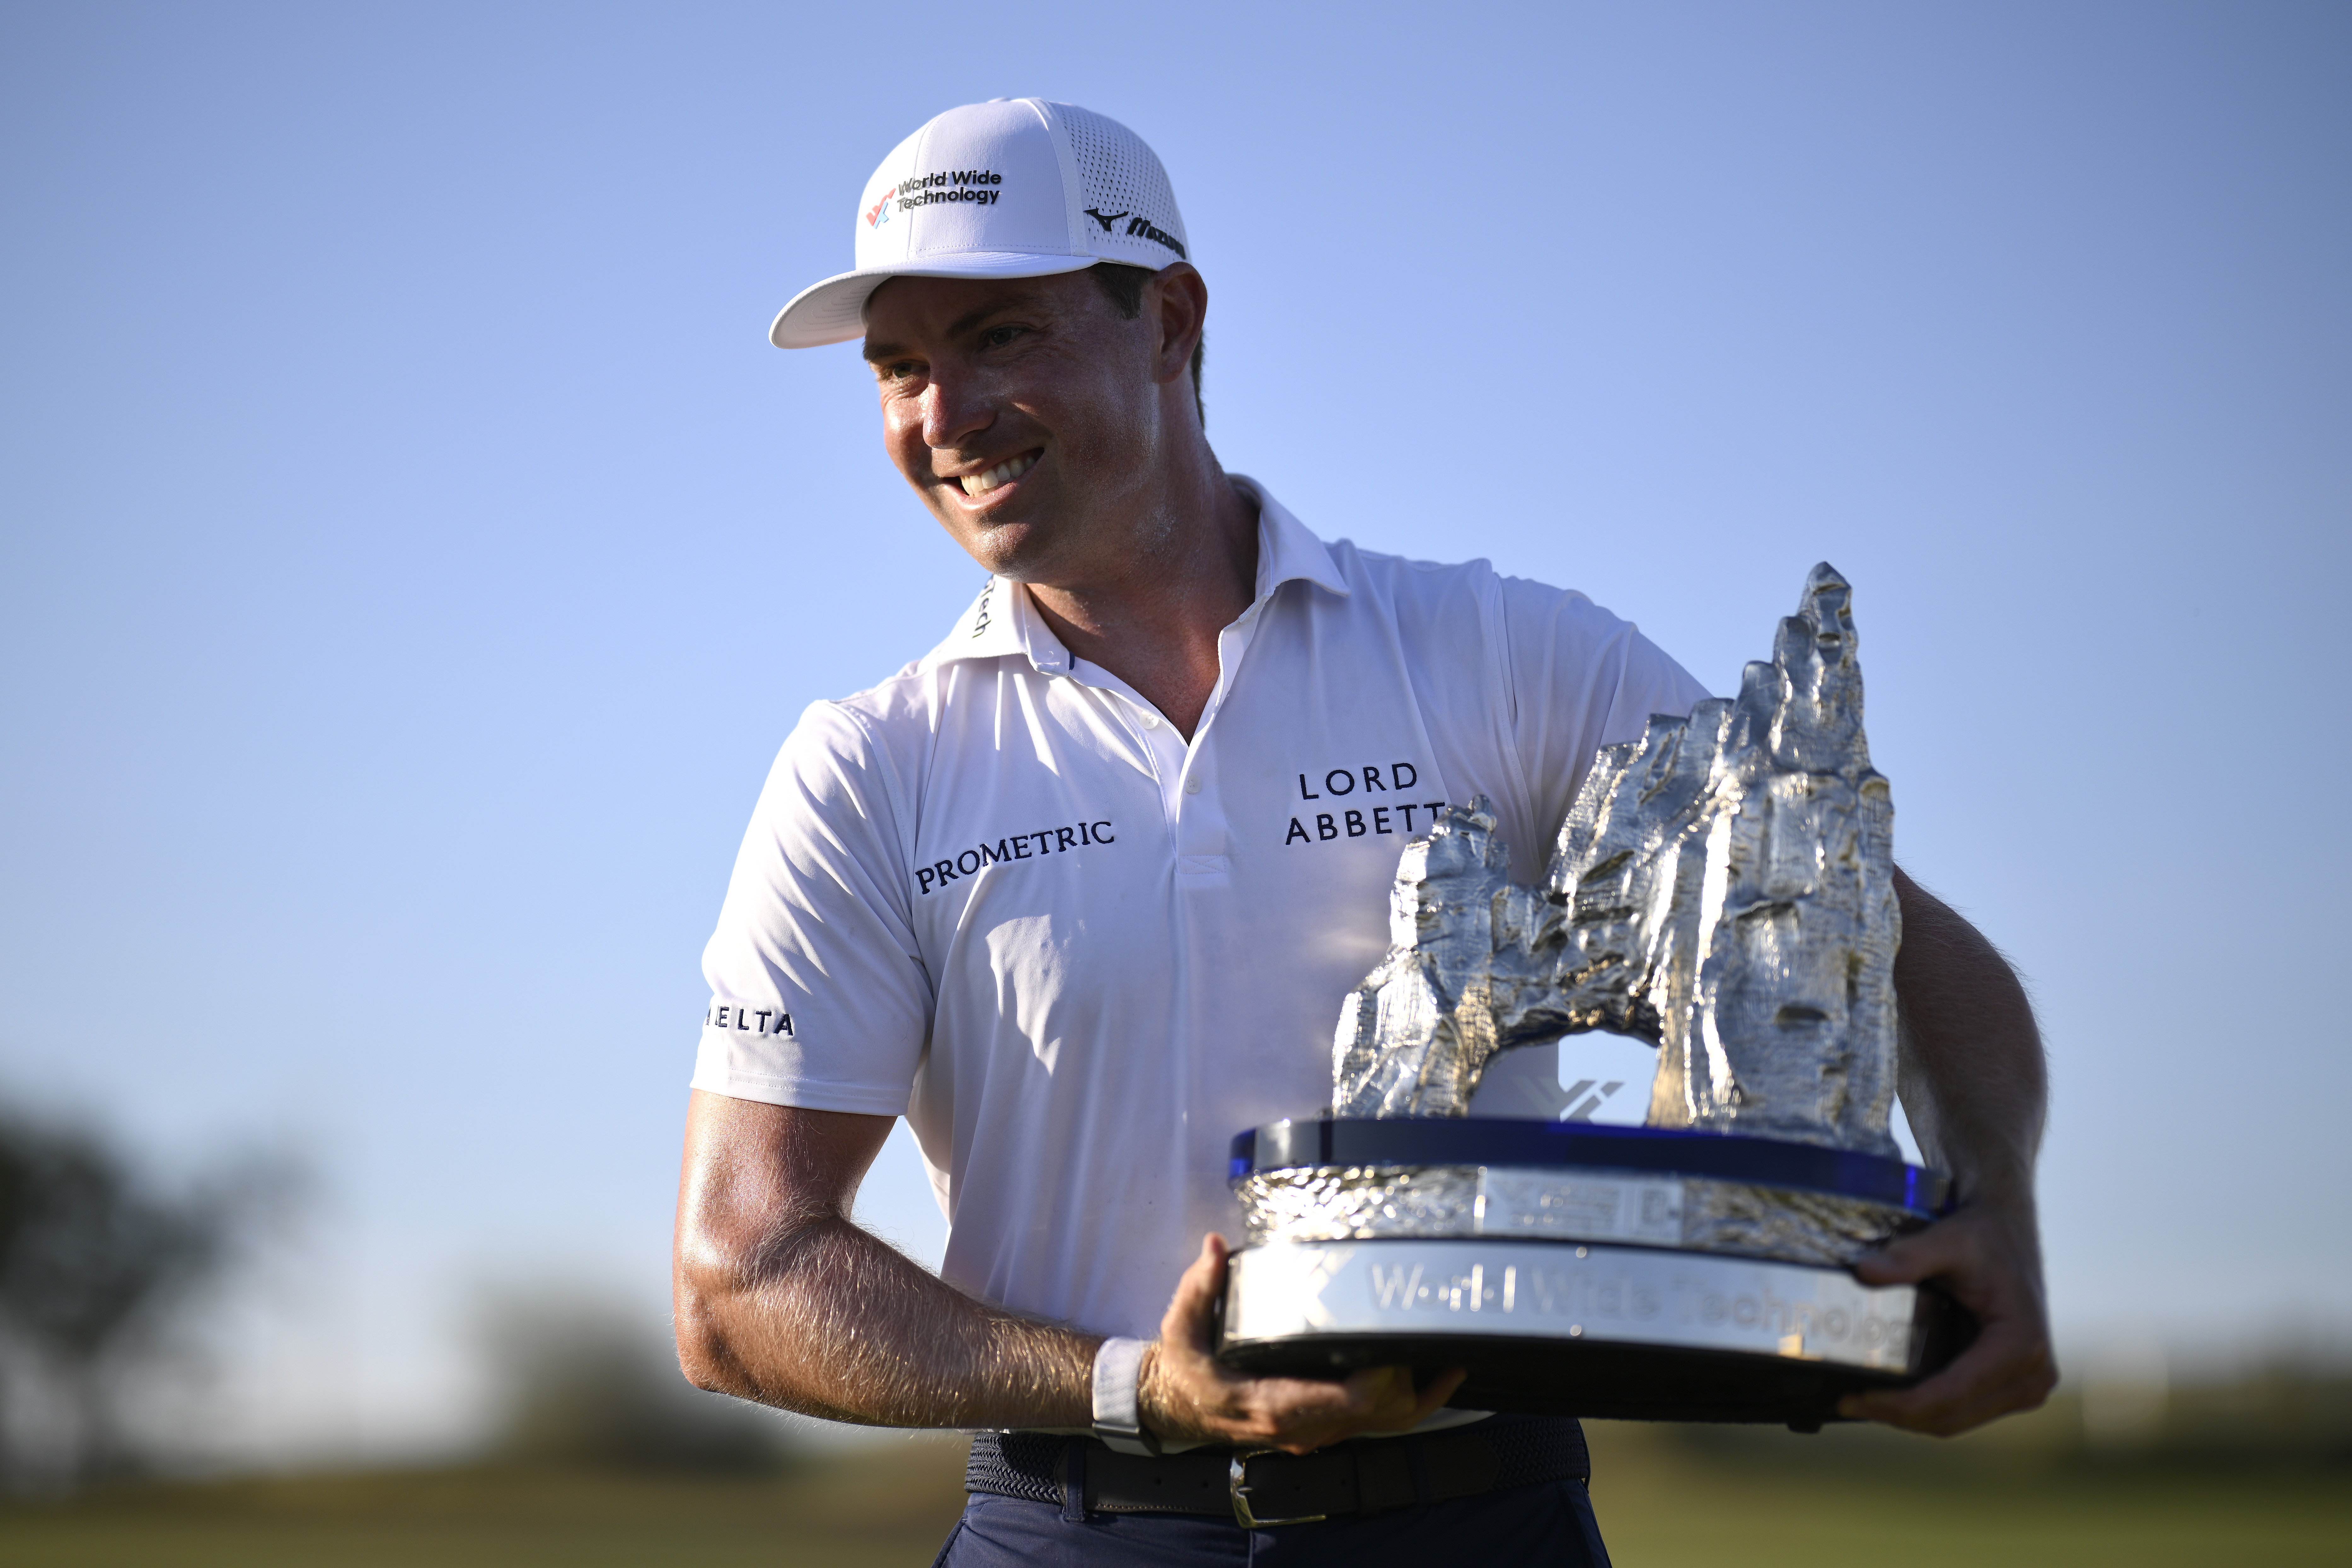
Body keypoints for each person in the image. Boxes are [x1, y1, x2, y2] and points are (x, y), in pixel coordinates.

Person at [672, 98, 2054, 1565]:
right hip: (1076, 1524)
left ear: (1171, 322)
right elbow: (740, 1278)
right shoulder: (869, 766)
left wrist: (1996, 1205)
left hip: (1480, 1517)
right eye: (901, 367)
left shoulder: (1500, 656)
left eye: (1001, 337)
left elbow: (1865, 921)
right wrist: (1146, 1388)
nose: (941, 418)